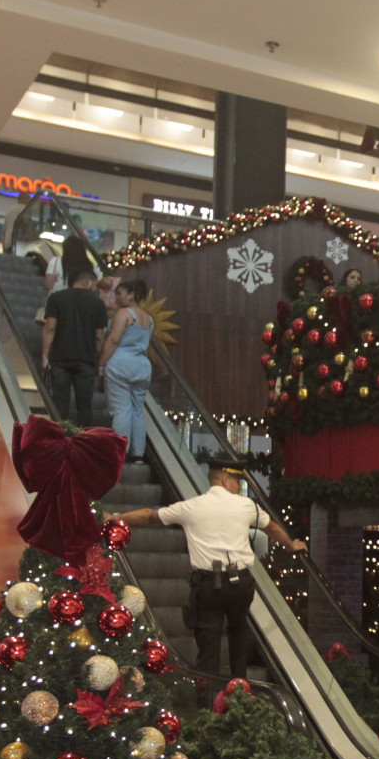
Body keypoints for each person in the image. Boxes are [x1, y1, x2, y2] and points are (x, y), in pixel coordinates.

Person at [113, 459, 304, 677]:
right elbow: (271, 528)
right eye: (237, 481)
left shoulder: (191, 507)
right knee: (239, 635)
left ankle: (208, 692)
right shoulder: (246, 505)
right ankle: (240, 687)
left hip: (207, 585)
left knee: (208, 646)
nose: (239, 486)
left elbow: (149, 515)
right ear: (225, 480)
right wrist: (291, 544)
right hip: (240, 583)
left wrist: (116, 517)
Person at [41, 266, 108, 426]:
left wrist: (45, 355)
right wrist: (100, 362)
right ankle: (82, 436)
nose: (95, 289)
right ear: (87, 281)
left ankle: (58, 435)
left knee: (59, 404)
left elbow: (50, 328)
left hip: (60, 359)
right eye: (94, 284)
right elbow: (99, 336)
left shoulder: (56, 298)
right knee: (84, 406)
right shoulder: (98, 303)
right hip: (86, 360)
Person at [99, 277, 155, 462]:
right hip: (142, 367)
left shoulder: (124, 314)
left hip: (120, 364)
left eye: (119, 293)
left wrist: (101, 364)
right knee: (137, 411)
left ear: (131, 295)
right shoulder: (149, 319)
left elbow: (114, 340)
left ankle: (120, 453)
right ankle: (138, 454)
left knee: (121, 410)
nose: (116, 297)